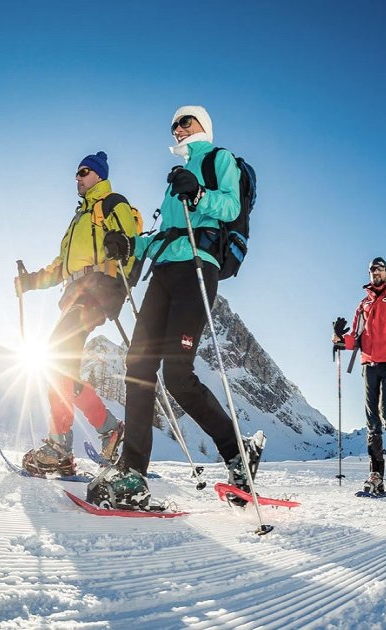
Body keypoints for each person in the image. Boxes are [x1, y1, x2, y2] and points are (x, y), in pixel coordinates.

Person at [89, 105, 264, 510]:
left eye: (185, 121)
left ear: (203, 125)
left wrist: (198, 192)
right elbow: (166, 233)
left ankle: (238, 454)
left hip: (199, 268)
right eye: (174, 124)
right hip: (165, 271)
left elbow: (230, 208)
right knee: (138, 364)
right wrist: (132, 245)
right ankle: (133, 471)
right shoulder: (175, 181)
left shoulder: (219, 159)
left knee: (178, 375)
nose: (178, 128)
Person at [15, 151, 142, 476]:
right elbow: (61, 267)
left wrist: (120, 272)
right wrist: (31, 282)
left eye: (84, 172)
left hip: (97, 290)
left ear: (98, 175)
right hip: (74, 295)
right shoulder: (78, 221)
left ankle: (61, 446)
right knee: (59, 371)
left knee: (56, 360)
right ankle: (108, 430)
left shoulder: (113, 203)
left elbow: (131, 246)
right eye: (76, 173)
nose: (78, 177)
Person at [333, 257, 386, 495]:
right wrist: (340, 339)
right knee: (372, 422)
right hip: (369, 364)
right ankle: (376, 476)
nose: (375, 272)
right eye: (372, 269)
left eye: (379, 269)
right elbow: (356, 338)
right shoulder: (364, 304)